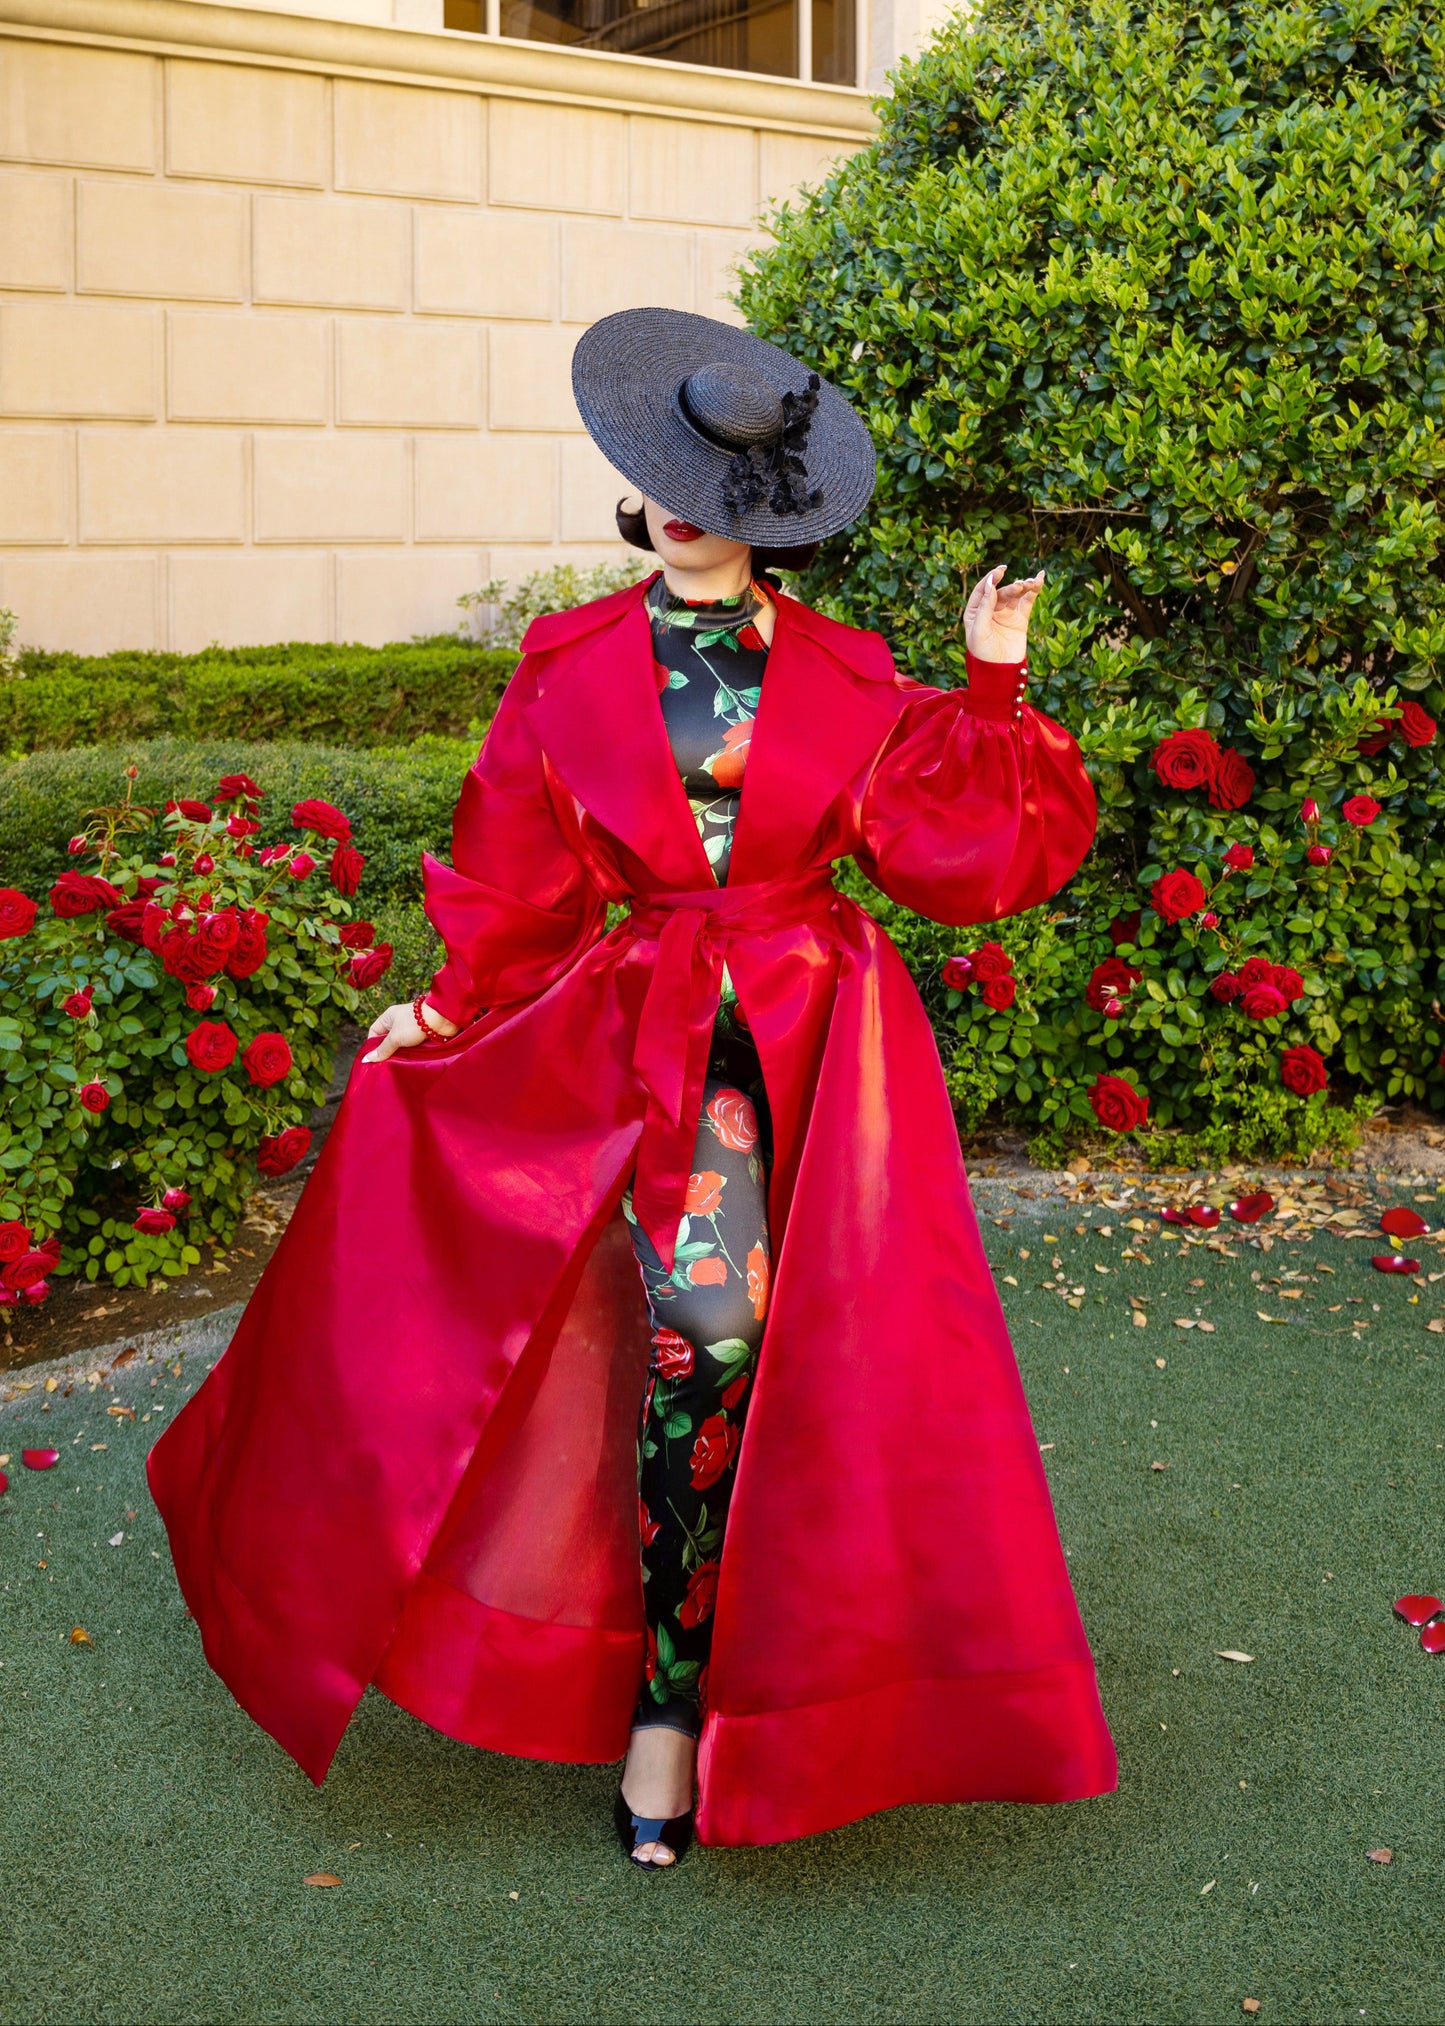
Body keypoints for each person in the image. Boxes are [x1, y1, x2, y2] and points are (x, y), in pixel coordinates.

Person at [149, 308, 1116, 1870]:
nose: (680, 503)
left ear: (766, 510)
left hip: (811, 1045)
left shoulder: (848, 672)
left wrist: (991, 682)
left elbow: (962, 853)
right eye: (662, 469)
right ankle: (659, 1704)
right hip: (632, 1035)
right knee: (688, 1348)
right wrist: (443, 1003)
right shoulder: (569, 662)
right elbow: (513, 870)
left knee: (763, 1362)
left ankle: (723, 1703)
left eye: (715, 483)